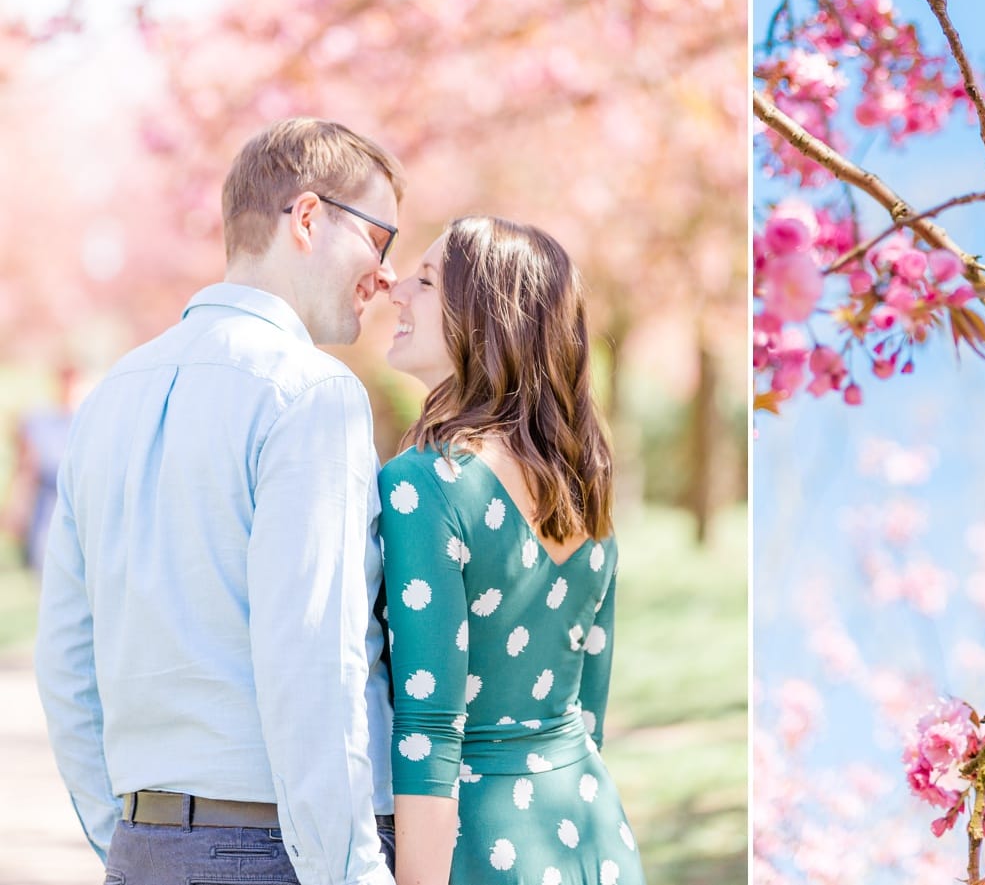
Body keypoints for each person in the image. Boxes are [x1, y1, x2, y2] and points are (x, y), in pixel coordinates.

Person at [35, 118, 405, 885]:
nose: (386, 275)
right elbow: (315, 664)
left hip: (144, 852)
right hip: (274, 854)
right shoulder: (312, 393)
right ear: (307, 218)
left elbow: (65, 661)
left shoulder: (108, 400)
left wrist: (126, 836)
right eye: (380, 239)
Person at [379, 216, 646, 885]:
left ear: (484, 318)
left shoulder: (425, 483)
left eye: (426, 278)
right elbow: (589, 709)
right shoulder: (586, 482)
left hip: (479, 848)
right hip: (592, 834)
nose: (394, 290)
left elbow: (430, 730)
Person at [3, 362, 81, 571]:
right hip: (46, 502)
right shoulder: (41, 421)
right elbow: (27, 468)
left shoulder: (85, 419)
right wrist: (17, 506)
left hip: (76, 500)